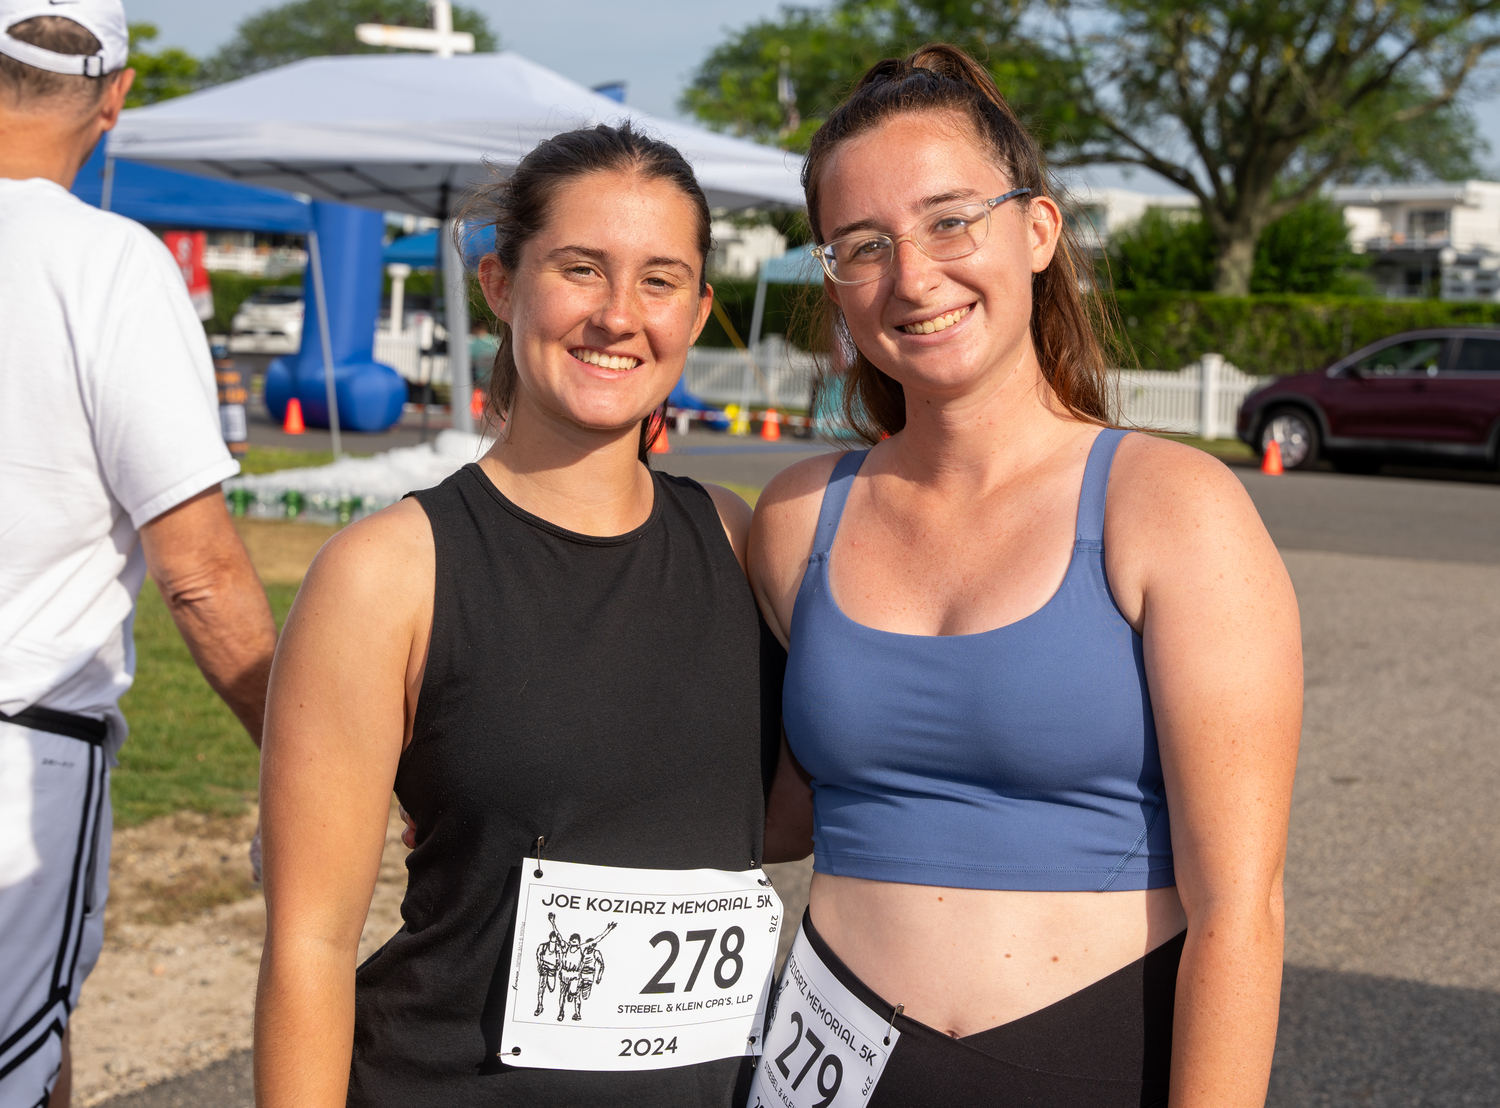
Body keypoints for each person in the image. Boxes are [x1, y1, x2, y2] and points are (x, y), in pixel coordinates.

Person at [751, 45, 1302, 1107]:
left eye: (951, 220)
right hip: (821, 1064)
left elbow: (1242, 908)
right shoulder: (794, 519)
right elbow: (774, 809)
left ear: (1039, 231)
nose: (913, 277)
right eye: (862, 246)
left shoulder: (1171, 507)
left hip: (1092, 1061)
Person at [255, 123, 785, 1108]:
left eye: (660, 280)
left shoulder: (738, 538)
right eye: (581, 268)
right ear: (501, 283)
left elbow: (777, 818)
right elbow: (309, 944)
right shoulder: (386, 574)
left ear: (701, 309)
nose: (619, 316)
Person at [0, 4, 278, 1106]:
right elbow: (199, 570)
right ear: (115, 98)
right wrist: (301, 744)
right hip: (23, 751)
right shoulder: (109, 264)